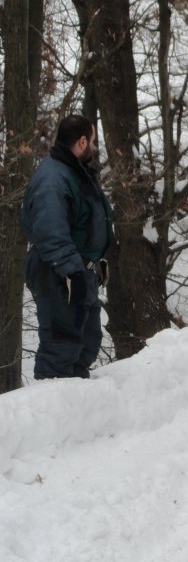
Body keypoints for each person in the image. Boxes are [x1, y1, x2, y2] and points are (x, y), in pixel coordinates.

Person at [21, 115, 112, 380]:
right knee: (61, 345)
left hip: (78, 270)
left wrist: (94, 265)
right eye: (93, 142)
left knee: (87, 338)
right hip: (57, 272)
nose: (95, 148)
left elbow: (85, 224)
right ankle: (51, 409)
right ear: (82, 142)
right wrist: (73, 273)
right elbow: (52, 233)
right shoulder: (53, 179)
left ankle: (76, 405)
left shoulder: (74, 170)